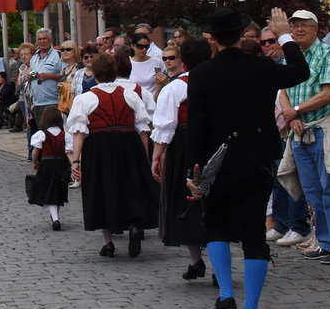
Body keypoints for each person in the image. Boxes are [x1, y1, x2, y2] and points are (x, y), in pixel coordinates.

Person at [185, 8, 312, 309]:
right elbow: (300, 71)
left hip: (218, 163)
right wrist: (284, 35)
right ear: (243, 35)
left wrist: (193, 172)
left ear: (213, 38)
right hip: (256, 160)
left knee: (215, 225)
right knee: (255, 234)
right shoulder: (262, 66)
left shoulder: (201, 74)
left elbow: (196, 127)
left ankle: (226, 295)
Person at [276, 9, 330, 264]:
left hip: (324, 127)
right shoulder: (290, 57)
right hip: (300, 128)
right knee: (311, 190)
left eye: (305, 25)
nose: (299, 29)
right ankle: (324, 241)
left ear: (316, 29)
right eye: (294, 25)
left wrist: (296, 110)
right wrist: (293, 117)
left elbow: (329, 93)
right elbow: (282, 89)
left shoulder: (328, 54)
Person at [66, 49, 159, 258]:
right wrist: (144, 157)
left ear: (95, 74)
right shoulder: (130, 94)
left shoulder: (85, 98)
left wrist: (75, 161)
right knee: (131, 186)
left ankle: (108, 242)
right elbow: (142, 129)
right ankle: (134, 224)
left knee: (101, 189)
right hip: (129, 144)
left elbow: (79, 133)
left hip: (99, 146)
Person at [151, 40, 211, 278]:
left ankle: (196, 260)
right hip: (216, 144)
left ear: (183, 61)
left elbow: (166, 126)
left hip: (186, 146)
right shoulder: (219, 82)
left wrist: (156, 156)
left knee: (186, 200)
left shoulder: (176, 87)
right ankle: (218, 263)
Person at [25, 105, 70, 230]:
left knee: (49, 191)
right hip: (61, 165)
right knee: (57, 191)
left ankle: (55, 219)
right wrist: (74, 165)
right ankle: (56, 216)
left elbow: (35, 152)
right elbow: (69, 152)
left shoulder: (41, 134)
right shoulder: (65, 135)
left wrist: (35, 162)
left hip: (46, 165)